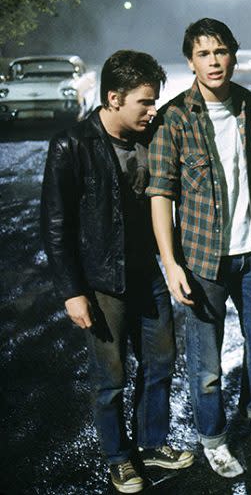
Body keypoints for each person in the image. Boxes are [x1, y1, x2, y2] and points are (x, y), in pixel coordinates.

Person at [41, 50, 193, 494]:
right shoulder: (72, 144)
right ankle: (118, 458)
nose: (153, 111)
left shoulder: (153, 136)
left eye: (155, 101)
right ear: (112, 98)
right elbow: (55, 225)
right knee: (111, 379)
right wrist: (72, 290)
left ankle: (151, 444)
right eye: (145, 102)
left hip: (149, 275)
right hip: (103, 280)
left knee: (161, 363)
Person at [147, 18, 251, 478]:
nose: (214, 61)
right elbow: (160, 193)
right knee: (206, 362)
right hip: (202, 258)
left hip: (248, 252)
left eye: (221, 51)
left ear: (234, 54)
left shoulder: (248, 105)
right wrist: (170, 262)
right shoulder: (174, 117)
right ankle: (212, 438)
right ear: (190, 61)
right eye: (204, 54)